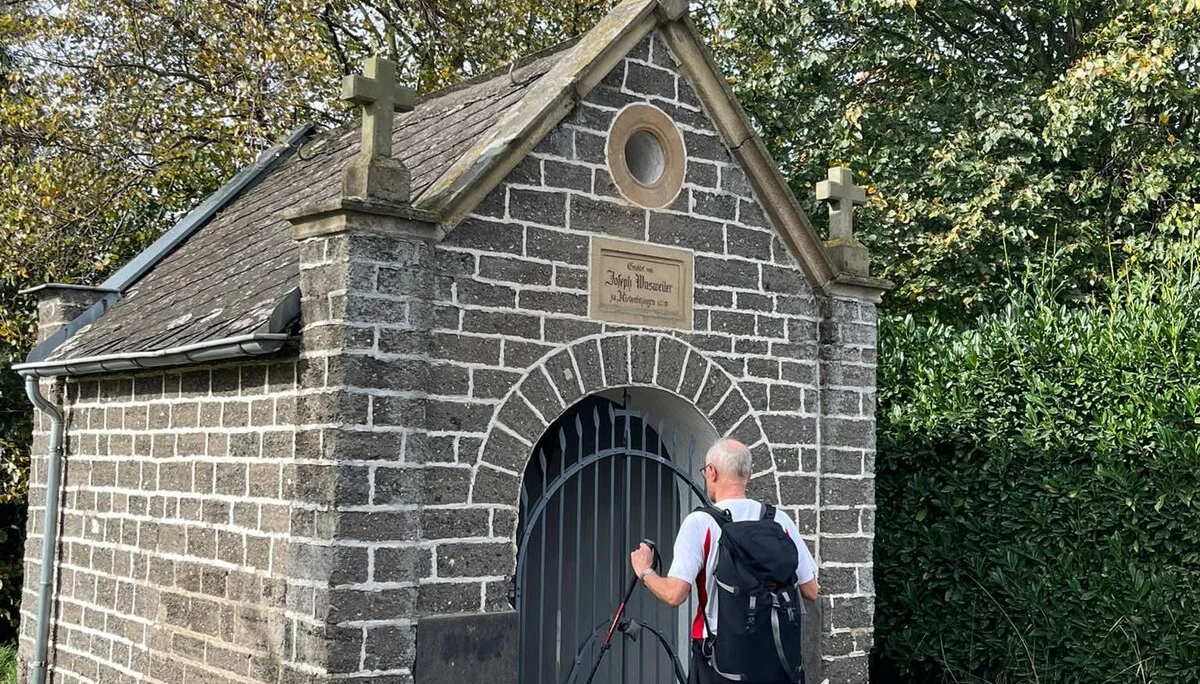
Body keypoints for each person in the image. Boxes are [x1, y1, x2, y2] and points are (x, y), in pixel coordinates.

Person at [630, 438, 819, 684]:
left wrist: (645, 571)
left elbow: (674, 595)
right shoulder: (779, 520)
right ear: (749, 475)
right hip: (775, 654)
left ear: (712, 472)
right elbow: (811, 590)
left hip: (720, 658)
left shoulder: (700, 523)